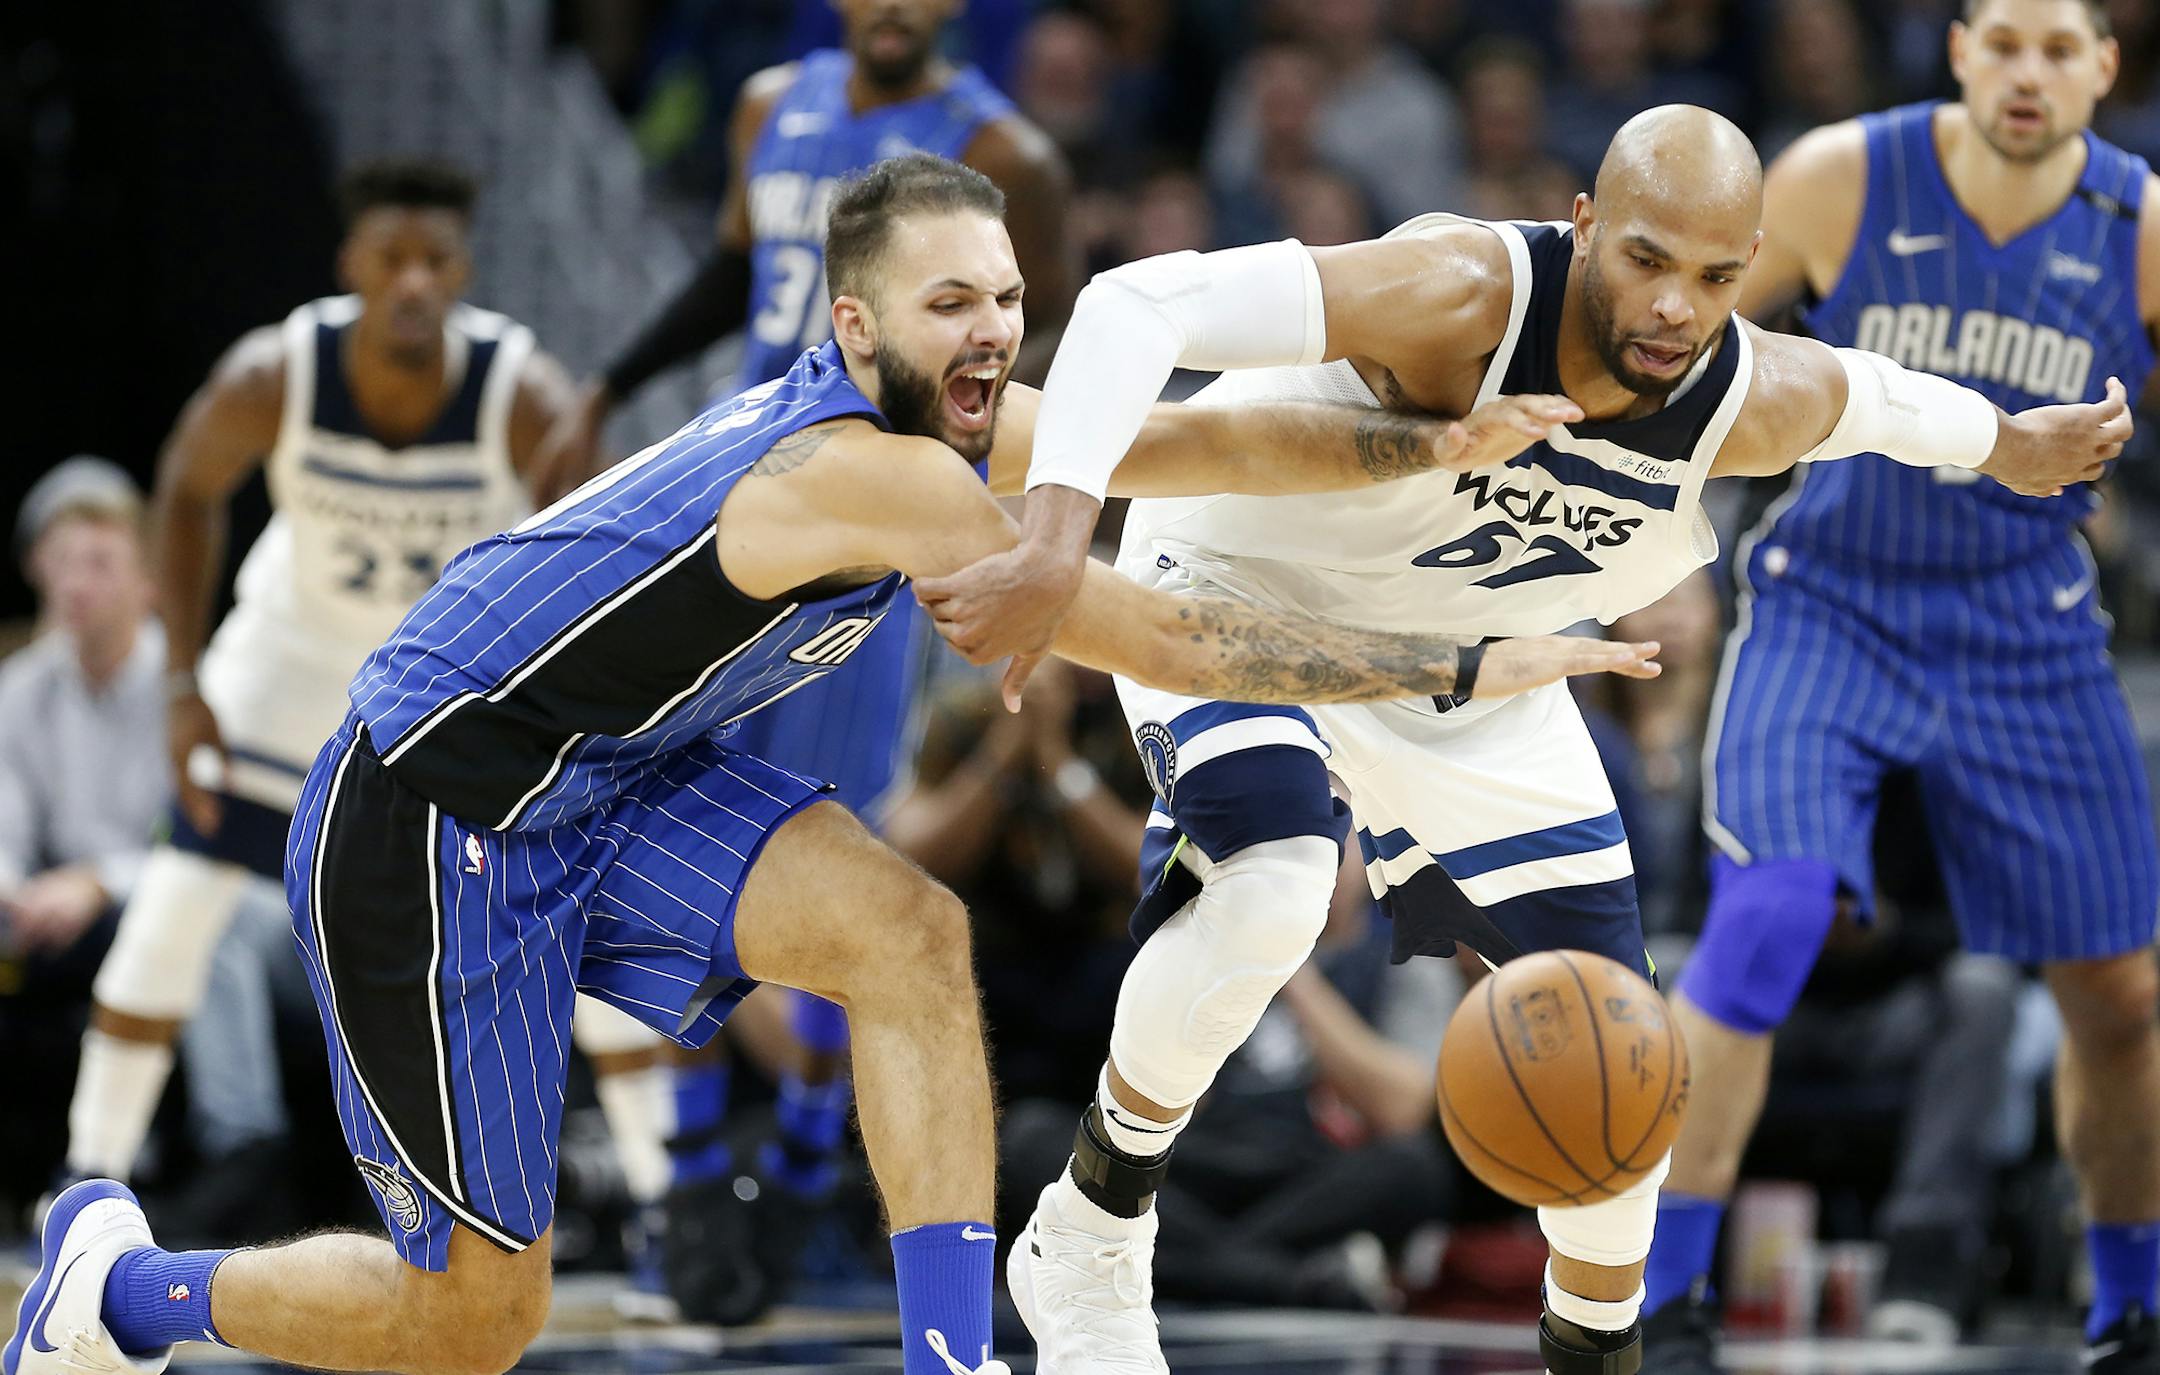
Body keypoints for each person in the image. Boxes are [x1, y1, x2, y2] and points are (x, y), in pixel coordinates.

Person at [6, 153, 1658, 1375]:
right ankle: (121, 1291)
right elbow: (1179, 643)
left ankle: (950, 1360)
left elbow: (1199, 437)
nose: (997, 331)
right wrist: (1457, 661)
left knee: (909, 939)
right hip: (430, 806)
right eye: (955, 304)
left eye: (1009, 298)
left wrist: (1428, 444)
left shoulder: (944, 424)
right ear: (856, 320)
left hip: (606, 777)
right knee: (474, 1317)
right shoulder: (873, 475)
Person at [920, 105, 2132, 1375]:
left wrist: (2012, 443)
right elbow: (1132, 304)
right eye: (1648, 260)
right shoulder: (1457, 294)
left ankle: (1597, 1352)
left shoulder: (1745, 397)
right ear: (1586, 225)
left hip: (1471, 674)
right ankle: (1094, 1232)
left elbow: (1882, 399)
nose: (1676, 305)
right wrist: (1059, 541)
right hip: (1238, 585)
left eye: (1717, 277)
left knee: (1621, 1054)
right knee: (1274, 889)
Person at [1638, 3, 2160, 1371]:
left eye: (2062, 47)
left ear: (2106, 65)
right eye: (2005, 42)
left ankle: (2130, 1308)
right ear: (1960, 50)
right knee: (1765, 914)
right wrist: (1653, 548)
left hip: (2027, 630)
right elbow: (1672, 364)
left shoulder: (2144, 225)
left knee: (2117, 992)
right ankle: (1666, 1298)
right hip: (1833, 607)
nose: (2030, 73)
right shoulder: (1837, 177)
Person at [545, 6, 1078, 1291]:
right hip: (755, 505)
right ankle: (682, 1184)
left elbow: (1033, 349)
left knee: (843, 853)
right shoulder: (765, 104)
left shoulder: (1009, 155)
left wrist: (999, 491)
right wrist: (610, 386)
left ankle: (793, 1166)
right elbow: (739, 272)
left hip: (871, 528)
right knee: (657, 809)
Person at [44, 159, 653, 1219]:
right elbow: (186, 493)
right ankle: (88, 1177)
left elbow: (588, 556)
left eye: (436, 260)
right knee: (173, 913)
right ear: (352, 267)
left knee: (581, 923)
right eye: (392, 258)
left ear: (464, 270)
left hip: (441, 688)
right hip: (285, 672)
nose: (414, 280)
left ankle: (664, 1193)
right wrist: (184, 680)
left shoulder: (524, 394)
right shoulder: (276, 373)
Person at [0, 460, 167, 1202]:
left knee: (157, 928)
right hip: (41, 912)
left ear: (147, 580)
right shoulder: (23, 688)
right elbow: (7, 818)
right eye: (61, 562)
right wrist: (9, 884)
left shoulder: (189, 686)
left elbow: (193, 846)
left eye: (98, 563)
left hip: (147, 905)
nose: (75, 582)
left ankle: (131, 1159)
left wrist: (97, 882)